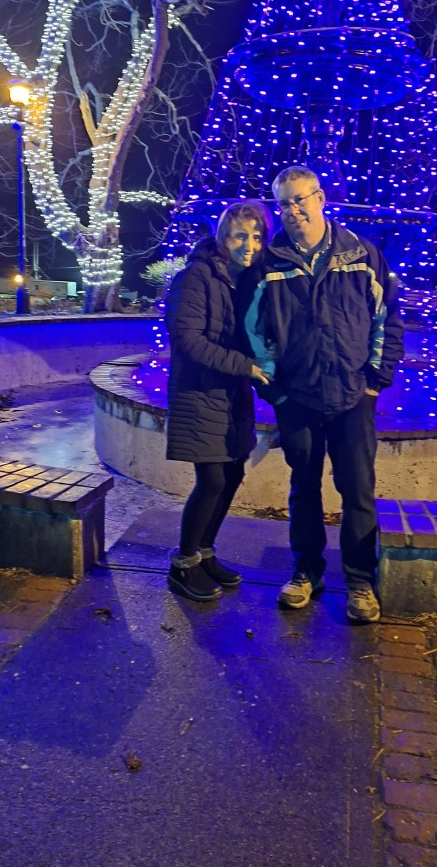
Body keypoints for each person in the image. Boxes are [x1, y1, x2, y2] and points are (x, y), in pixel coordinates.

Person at [245, 166, 404, 623]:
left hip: (353, 397)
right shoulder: (270, 263)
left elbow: (387, 320)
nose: (293, 210)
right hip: (298, 400)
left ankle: (359, 580)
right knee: (304, 489)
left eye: (300, 199)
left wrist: (373, 383)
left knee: (358, 491)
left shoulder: (362, 254)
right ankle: (305, 572)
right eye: (284, 204)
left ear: (320, 198)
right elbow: (255, 333)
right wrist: (276, 392)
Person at [165, 201, 272, 602]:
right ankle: (182, 564)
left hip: (231, 396)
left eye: (257, 237)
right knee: (211, 480)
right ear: (223, 237)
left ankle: (204, 553)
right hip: (200, 394)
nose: (249, 245)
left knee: (232, 475)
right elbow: (188, 341)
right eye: (240, 236)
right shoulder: (197, 276)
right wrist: (245, 366)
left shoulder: (241, 280)